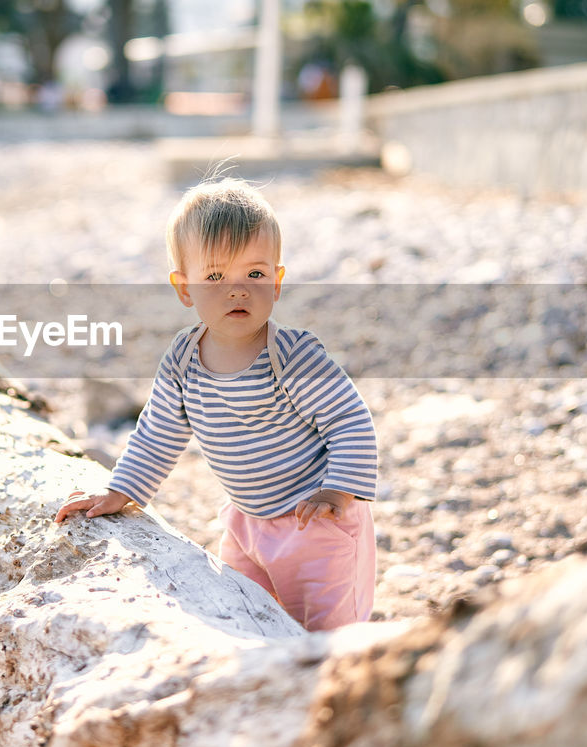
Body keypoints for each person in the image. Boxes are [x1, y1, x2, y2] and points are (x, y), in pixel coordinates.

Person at [55, 178, 378, 631]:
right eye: (214, 277)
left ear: (277, 282)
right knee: (250, 618)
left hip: (314, 522)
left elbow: (350, 421)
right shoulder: (184, 359)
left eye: (255, 274)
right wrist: (121, 490)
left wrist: (338, 490)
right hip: (246, 522)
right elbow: (157, 433)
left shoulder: (293, 355)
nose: (238, 290)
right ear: (184, 288)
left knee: (324, 631)